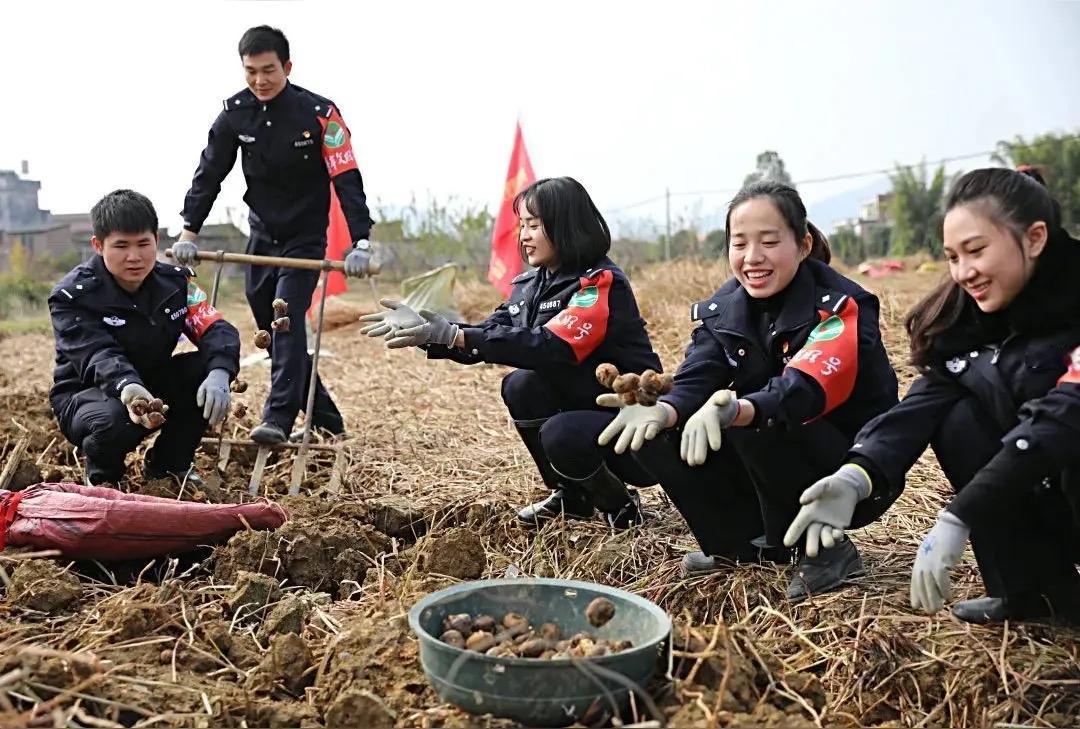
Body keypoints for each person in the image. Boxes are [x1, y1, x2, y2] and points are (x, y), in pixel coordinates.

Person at [784, 167, 1080, 624]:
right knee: (959, 418)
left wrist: (960, 514)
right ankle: (1031, 593)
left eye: (976, 251)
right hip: (1045, 480)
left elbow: (1062, 418)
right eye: (952, 257)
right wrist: (859, 472)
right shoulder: (973, 315)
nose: (964, 272)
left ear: (1035, 238)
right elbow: (926, 400)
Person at [598, 181, 899, 601]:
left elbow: (804, 388)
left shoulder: (841, 306)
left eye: (769, 242)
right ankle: (740, 547)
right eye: (739, 243)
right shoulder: (727, 306)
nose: (752, 258)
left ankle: (828, 550)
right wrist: (664, 411)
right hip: (764, 437)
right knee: (656, 433)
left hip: (850, 463)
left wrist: (740, 408)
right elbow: (699, 372)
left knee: (756, 421)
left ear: (803, 243)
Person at [359, 177, 662, 528]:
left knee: (559, 432)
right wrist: (430, 333)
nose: (524, 236)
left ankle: (620, 504)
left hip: (634, 427)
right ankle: (573, 495)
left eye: (534, 225)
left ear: (565, 225)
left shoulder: (598, 284)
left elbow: (553, 347)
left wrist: (455, 334)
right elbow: (487, 337)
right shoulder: (529, 286)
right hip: (586, 411)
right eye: (522, 225)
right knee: (520, 385)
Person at [171, 25, 374, 445]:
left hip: (304, 238)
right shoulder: (235, 113)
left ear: (287, 67)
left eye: (269, 71)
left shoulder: (320, 114)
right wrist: (188, 232)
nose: (260, 80)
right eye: (251, 72)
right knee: (270, 328)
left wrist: (361, 241)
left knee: (285, 318)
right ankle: (326, 418)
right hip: (261, 237)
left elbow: (346, 177)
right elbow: (209, 173)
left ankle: (277, 418)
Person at [48, 190, 241, 486]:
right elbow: (97, 353)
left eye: (143, 244)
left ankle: (169, 466)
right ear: (98, 245)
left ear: (156, 241)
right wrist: (129, 387)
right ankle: (104, 479)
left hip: (153, 381)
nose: (134, 257)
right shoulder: (74, 296)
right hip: (89, 394)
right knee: (111, 423)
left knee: (205, 368)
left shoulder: (175, 284)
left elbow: (214, 327)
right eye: (121, 245)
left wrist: (220, 372)